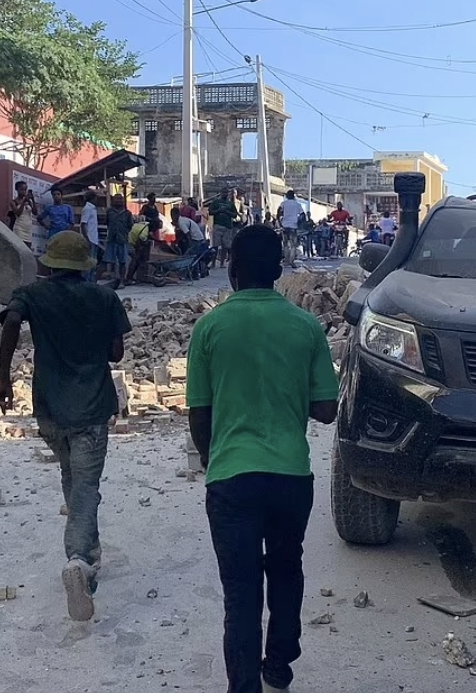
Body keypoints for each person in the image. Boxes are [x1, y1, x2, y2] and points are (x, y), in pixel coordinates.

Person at [186, 226, 338, 693]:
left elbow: (199, 414)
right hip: (290, 476)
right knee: (287, 569)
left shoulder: (209, 328)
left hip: (231, 477)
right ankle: (280, 664)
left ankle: (245, 685)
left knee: (241, 593)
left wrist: (213, 462)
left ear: (232, 269)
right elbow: (326, 410)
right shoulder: (306, 327)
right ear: (278, 270)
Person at [0, 231, 132, 622]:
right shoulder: (104, 297)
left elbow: (11, 321)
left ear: (50, 264)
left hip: (51, 408)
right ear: (84, 265)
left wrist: (3, 378)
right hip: (92, 406)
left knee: (71, 476)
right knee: (86, 485)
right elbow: (116, 353)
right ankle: (78, 559)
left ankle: (90, 552)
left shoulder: (31, 295)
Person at [104, 193, 133, 288]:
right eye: (117, 199)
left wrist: (123, 232)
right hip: (111, 239)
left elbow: (130, 226)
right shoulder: (109, 212)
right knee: (106, 260)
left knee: (122, 262)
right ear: (113, 201)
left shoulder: (127, 213)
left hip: (122, 240)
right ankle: (95, 281)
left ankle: (122, 281)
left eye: (121, 199)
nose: (119, 201)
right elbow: (107, 223)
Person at [209, 189, 239, 268]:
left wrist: (227, 212)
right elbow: (210, 212)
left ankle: (222, 263)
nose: (225, 194)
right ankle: (213, 263)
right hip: (217, 225)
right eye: (223, 192)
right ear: (220, 193)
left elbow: (235, 215)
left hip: (227, 227)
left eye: (226, 192)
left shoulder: (230, 204)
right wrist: (218, 211)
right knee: (215, 245)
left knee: (225, 246)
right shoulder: (216, 202)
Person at [276, 190, 305, 266]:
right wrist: (299, 224)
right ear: (293, 196)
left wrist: (280, 222)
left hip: (285, 226)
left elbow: (278, 212)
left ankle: (286, 261)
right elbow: (302, 215)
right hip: (293, 227)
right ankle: (291, 261)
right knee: (293, 245)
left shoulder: (283, 204)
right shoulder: (297, 204)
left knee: (285, 244)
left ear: (287, 196)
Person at [79, 190, 101, 282]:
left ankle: (90, 281)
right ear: (92, 198)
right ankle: (85, 282)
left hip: (94, 239)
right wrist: (87, 239)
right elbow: (83, 224)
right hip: (90, 239)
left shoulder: (93, 208)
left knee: (93, 263)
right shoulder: (87, 208)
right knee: (88, 263)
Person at [10, 181, 38, 248]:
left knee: (27, 249)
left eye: (25, 189)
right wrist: (23, 202)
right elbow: (18, 213)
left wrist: (33, 200)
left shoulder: (29, 201)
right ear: (17, 189)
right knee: (19, 248)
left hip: (28, 230)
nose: (24, 191)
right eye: (22, 189)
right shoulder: (13, 202)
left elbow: (35, 212)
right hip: (19, 229)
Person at [125, 218, 152, 285]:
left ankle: (131, 278)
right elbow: (141, 238)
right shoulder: (145, 230)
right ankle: (128, 278)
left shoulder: (144, 224)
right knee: (135, 259)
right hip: (129, 242)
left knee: (136, 260)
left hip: (129, 240)